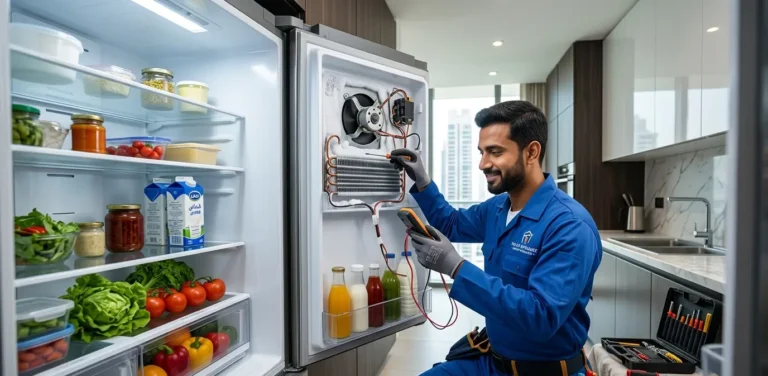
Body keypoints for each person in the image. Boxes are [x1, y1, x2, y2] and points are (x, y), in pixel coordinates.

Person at [389, 100, 601, 376]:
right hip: (491, 362)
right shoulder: (498, 208)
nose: (483, 163)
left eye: (495, 152)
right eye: (482, 152)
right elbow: (452, 223)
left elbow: (541, 317)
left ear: (531, 152)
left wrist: (456, 267)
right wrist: (423, 182)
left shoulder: (570, 226)